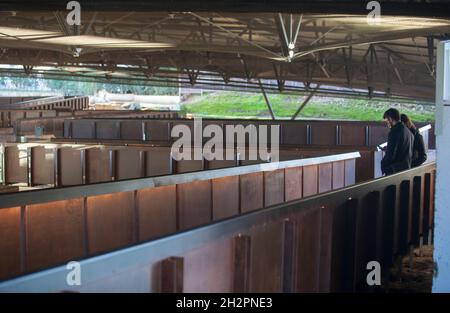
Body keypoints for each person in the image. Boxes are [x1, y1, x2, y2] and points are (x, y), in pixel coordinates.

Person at [381, 108, 414, 175]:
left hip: (395, 171)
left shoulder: (394, 132)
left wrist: (383, 165)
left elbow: (391, 155)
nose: (387, 124)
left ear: (390, 119)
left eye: (387, 121)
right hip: (406, 169)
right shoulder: (408, 131)